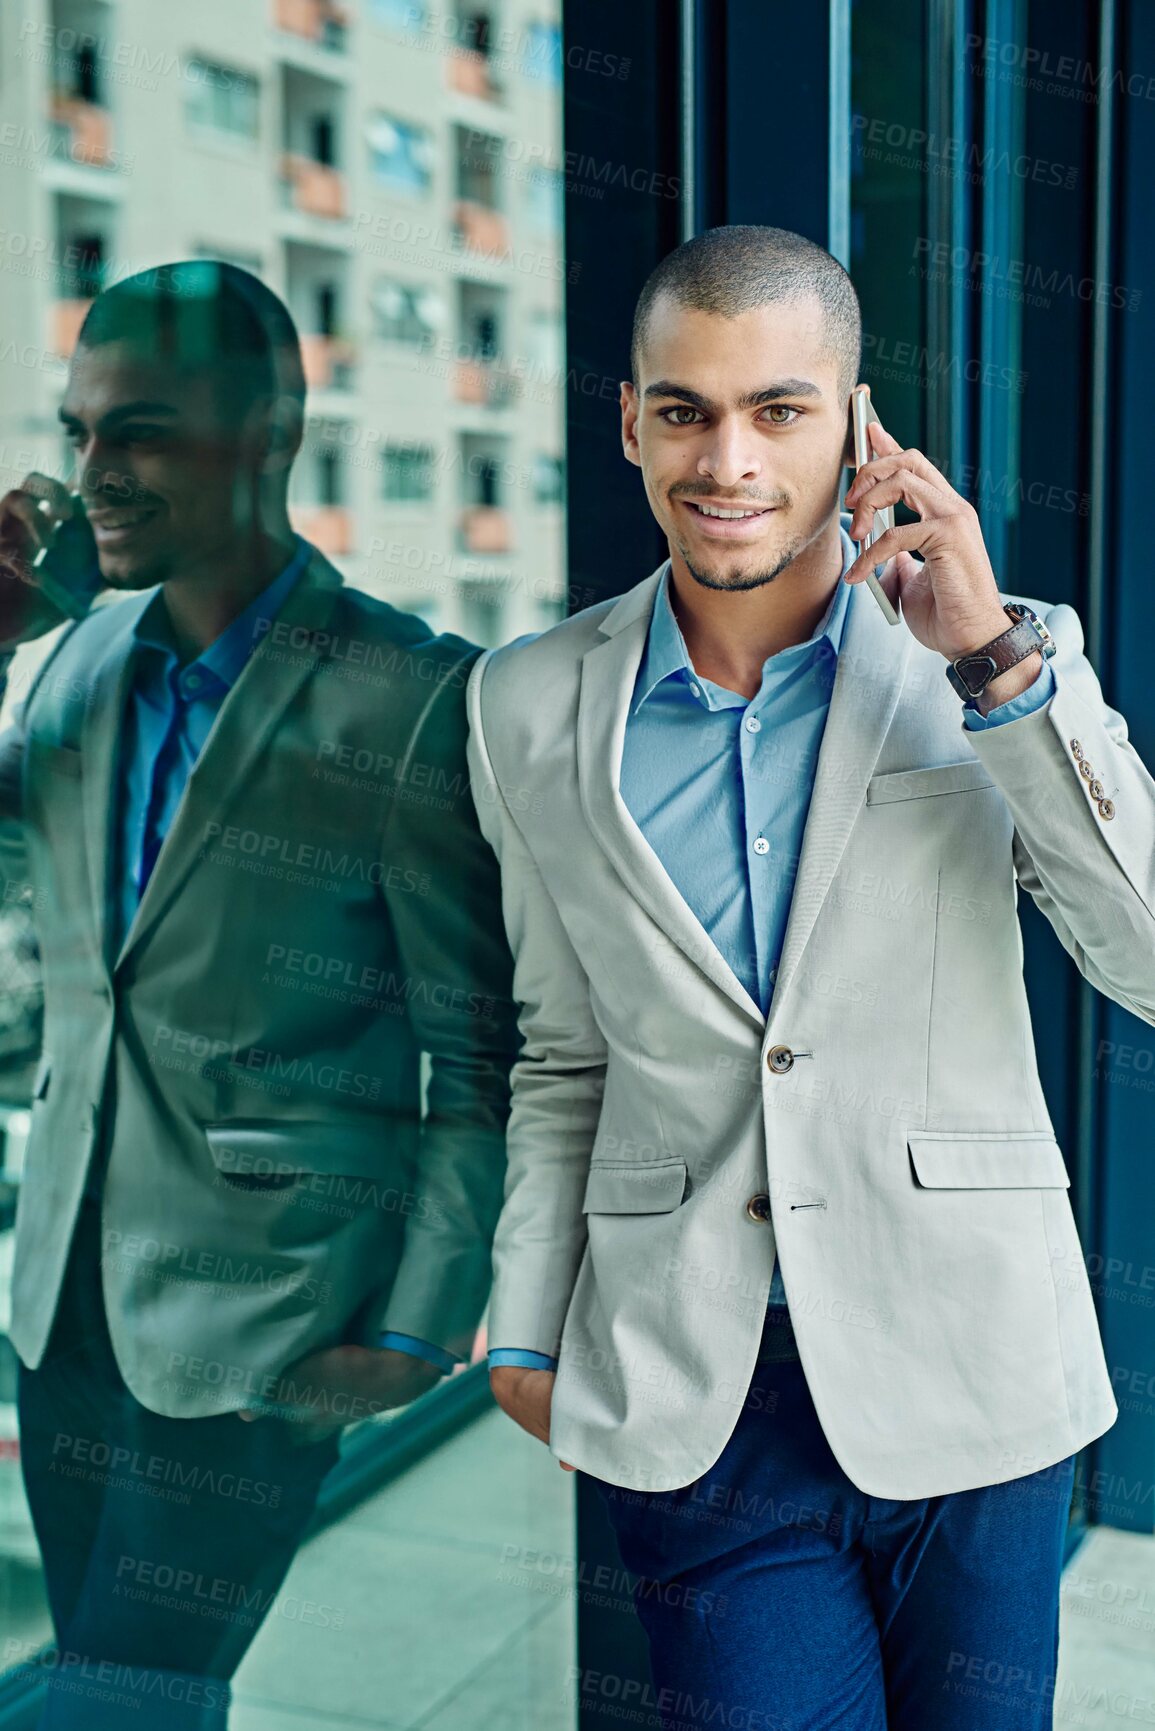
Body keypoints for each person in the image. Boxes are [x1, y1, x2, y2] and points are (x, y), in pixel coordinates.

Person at [465, 224, 1155, 1730]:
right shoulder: (526, 701)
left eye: (780, 409)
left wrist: (993, 668)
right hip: (698, 1386)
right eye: (686, 409)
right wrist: (524, 1324)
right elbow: (561, 1046)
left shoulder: (991, 663)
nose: (729, 459)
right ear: (631, 419)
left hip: (971, 1366)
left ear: (855, 423)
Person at [0, 261, 517, 1728]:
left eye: (141, 431)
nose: (92, 473)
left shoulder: (410, 697)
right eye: (79, 430)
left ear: (273, 428)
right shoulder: (77, 666)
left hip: (268, 1327)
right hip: (64, 1308)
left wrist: (421, 1333)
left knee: (121, 1697)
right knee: (142, 1702)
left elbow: (480, 1062)